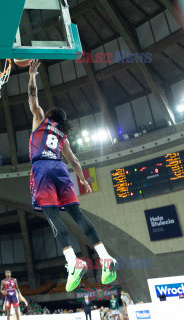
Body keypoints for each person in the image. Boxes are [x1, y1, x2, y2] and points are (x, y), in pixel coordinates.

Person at [27, 59, 117, 292]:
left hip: (42, 169)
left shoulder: (40, 120)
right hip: (61, 169)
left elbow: (32, 95)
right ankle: (105, 257)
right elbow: (75, 161)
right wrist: (84, 180)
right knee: (77, 214)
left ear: (49, 114)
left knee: (52, 216)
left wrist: (32, 74)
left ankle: (72, 261)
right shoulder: (63, 136)